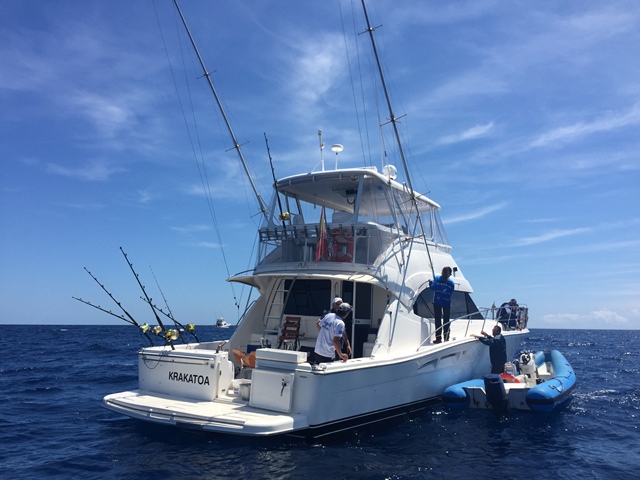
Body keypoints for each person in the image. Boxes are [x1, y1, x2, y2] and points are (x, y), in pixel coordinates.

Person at [428, 266, 455, 343]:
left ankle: (438, 338)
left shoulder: (437, 278)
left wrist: (430, 283)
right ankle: (446, 337)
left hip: (437, 301)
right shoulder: (451, 283)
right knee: (446, 320)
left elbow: (433, 287)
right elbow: (451, 291)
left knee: (438, 320)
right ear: (450, 274)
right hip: (447, 302)